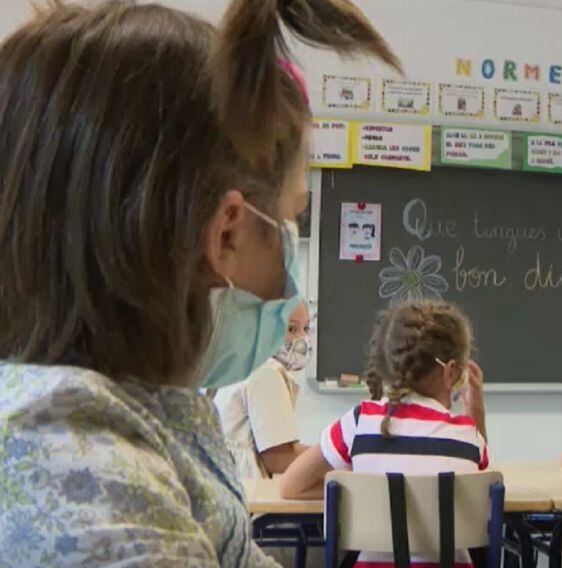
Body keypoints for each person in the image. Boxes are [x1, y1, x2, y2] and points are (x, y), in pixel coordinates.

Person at [0, 0, 399, 565]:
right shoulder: (70, 453)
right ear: (228, 235)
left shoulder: (156, 410)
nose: (290, 298)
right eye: (288, 223)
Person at [279, 300, 488, 567]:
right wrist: (475, 408)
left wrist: (356, 491)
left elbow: (290, 486)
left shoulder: (359, 422)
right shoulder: (467, 435)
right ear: (451, 372)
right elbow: (482, 491)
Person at [216, 302, 312, 479]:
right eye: (291, 329)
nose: (303, 339)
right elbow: (277, 458)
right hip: (249, 489)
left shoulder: (239, 362)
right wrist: (329, 459)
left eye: (306, 328)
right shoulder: (266, 370)